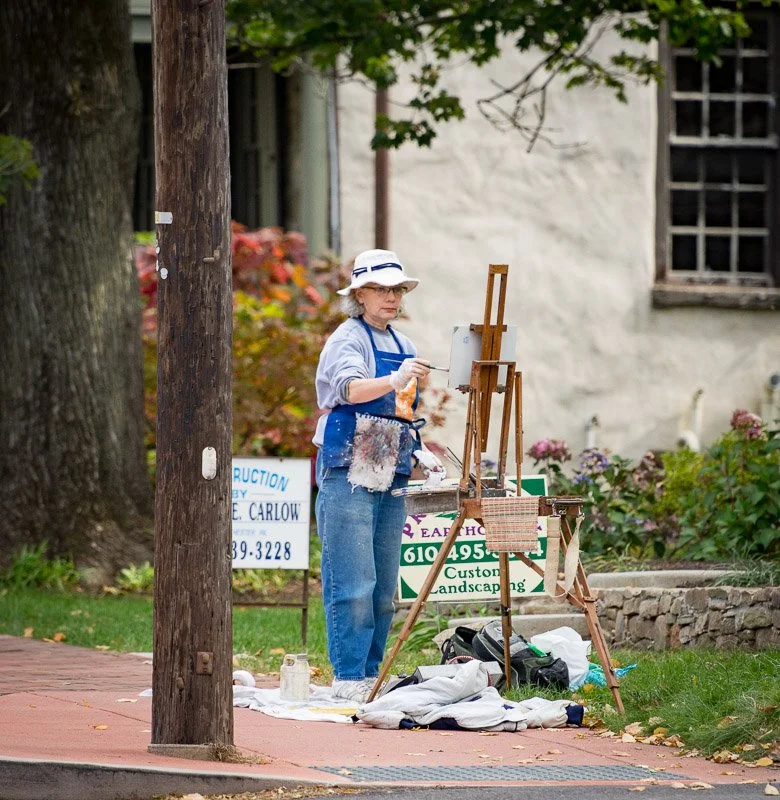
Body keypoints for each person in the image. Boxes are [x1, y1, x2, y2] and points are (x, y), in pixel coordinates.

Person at [313, 249, 444, 703]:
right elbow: (350, 389)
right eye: (382, 289)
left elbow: (402, 410)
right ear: (360, 295)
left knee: (384, 586)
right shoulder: (347, 339)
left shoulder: (403, 344)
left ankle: (371, 673)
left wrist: (420, 450)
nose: (392, 297)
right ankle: (349, 676)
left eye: (397, 289)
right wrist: (394, 380)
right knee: (353, 581)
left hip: (391, 463)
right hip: (348, 465)